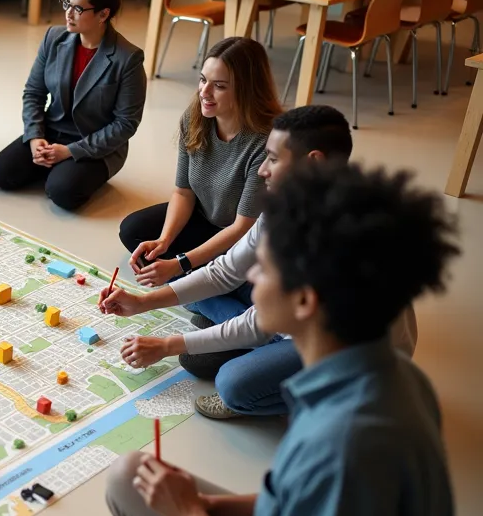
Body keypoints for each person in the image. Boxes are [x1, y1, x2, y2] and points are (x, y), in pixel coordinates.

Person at [28, 162, 458, 516]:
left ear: (306, 300)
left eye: (265, 269)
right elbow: (298, 503)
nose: (251, 277)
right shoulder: (383, 373)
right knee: (131, 477)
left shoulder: (345, 445)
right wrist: (208, 504)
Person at [100, 106, 417, 419]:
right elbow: (227, 271)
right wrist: (142, 302)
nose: (263, 169)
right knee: (195, 299)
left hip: (349, 358)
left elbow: (259, 323)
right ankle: (260, 356)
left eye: (274, 160)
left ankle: (336, 399)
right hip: (287, 323)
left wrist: (166, 345)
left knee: (233, 385)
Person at [118, 36, 282, 291]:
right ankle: (203, 284)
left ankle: (201, 285)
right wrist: (164, 240)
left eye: (219, 86)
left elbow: (242, 227)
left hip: (244, 240)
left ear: (247, 89)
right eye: (203, 80)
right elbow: (183, 192)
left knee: (255, 286)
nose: (204, 92)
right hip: (205, 220)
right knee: (133, 230)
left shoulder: (265, 141)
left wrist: (180, 263)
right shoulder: (195, 117)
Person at [0, 0, 146, 211]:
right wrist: (35, 137)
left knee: (62, 193)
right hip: (52, 130)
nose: (68, 13)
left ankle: (63, 171)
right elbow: (34, 93)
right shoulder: (54, 38)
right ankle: (55, 166)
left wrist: (71, 151)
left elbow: (125, 124)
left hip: (95, 144)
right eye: (67, 4)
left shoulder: (128, 58)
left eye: (78, 8)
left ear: (103, 15)